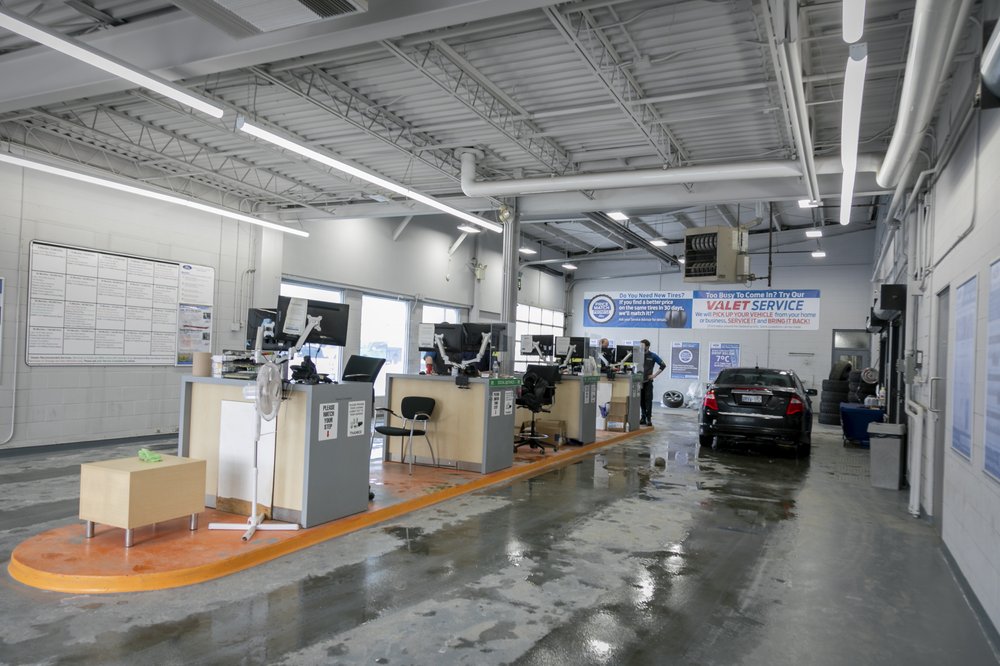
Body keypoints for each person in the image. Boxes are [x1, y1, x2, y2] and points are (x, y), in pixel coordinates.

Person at [639, 339, 666, 426]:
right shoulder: (637, 355)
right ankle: (643, 417)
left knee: (648, 400)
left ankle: (648, 418)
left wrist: (654, 375)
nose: (640, 347)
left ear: (647, 346)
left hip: (648, 382)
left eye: (642, 345)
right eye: (640, 345)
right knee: (641, 400)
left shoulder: (653, 356)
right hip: (638, 382)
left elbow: (663, 365)